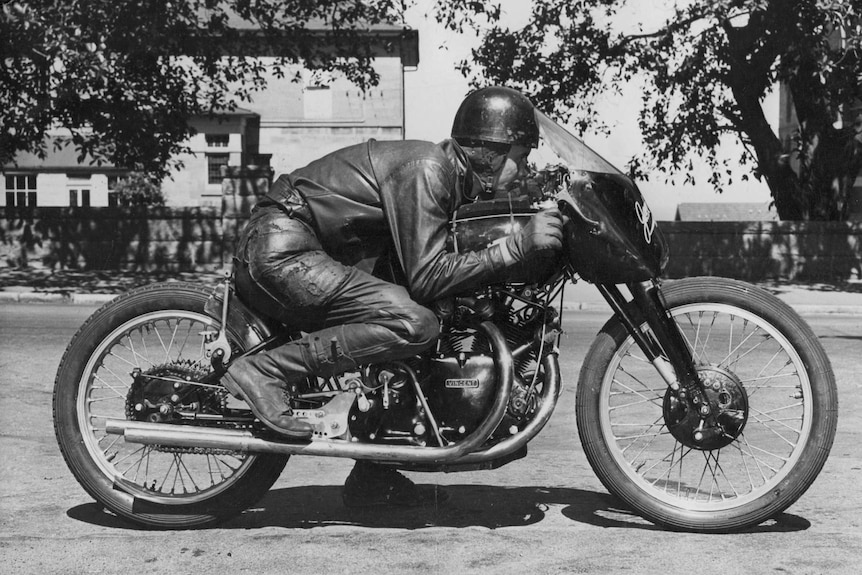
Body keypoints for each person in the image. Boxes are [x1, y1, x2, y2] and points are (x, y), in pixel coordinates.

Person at [221, 86, 564, 507]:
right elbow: (427, 277)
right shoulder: (428, 168)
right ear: (492, 151)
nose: (525, 168)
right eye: (522, 156)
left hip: (304, 249)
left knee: (434, 318)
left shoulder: (446, 178)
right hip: (284, 248)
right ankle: (265, 371)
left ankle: (373, 472)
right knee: (413, 323)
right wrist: (514, 249)